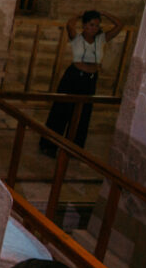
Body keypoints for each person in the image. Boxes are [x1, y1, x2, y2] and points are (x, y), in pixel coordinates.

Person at [39, 10, 123, 157]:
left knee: (83, 114)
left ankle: (74, 149)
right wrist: (80, 14)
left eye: (97, 25)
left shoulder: (101, 39)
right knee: (61, 111)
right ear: (84, 26)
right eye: (91, 25)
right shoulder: (76, 38)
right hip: (74, 77)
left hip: (90, 79)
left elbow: (119, 25)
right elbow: (69, 24)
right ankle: (49, 146)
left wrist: (105, 13)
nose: (94, 28)